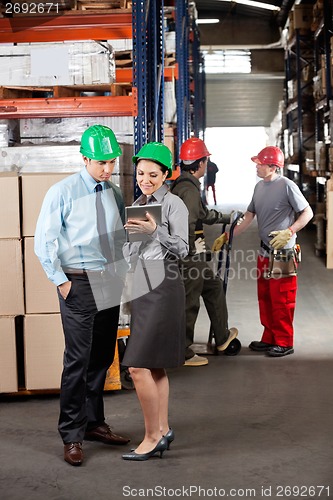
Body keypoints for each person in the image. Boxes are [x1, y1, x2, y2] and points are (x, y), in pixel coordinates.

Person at [34, 125, 130, 466]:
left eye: (112, 162)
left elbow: (119, 236)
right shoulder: (62, 192)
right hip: (78, 282)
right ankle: (72, 435)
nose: (108, 168)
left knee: (103, 356)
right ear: (85, 158)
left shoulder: (113, 192)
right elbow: (43, 241)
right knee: (77, 359)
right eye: (102, 162)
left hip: (109, 281)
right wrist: (61, 282)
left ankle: (94, 423)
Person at [121, 142, 188, 461]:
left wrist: (154, 230)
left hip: (164, 283)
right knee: (154, 364)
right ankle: (162, 429)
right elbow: (134, 251)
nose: (145, 179)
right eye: (141, 173)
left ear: (166, 175)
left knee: (137, 366)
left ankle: (151, 437)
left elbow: (183, 249)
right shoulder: (137, 202)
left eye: (152, 174)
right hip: (143, 285)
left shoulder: (174, 204)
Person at [231, 146, 313, 357]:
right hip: (264, 251)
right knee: (265, 296)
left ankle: (285, 341)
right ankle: (270, 337)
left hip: (283, 253)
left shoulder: (287, 185)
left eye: (260, 163)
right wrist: (229, 235)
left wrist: (290, 231)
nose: (256, 166)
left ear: (272, 166)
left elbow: (307, 212)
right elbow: (250, 215)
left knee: (282, 298)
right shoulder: (259, 187)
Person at [170, 137, 238, 367]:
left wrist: (227, 217)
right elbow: (188, 223)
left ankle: (222, 337)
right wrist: (191, 250)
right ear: (200, 163)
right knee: (190, 300)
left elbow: (203, 214)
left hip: (193, 254)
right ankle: (183, 351)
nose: (206, 165)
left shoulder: (187, 186)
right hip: (189, 256)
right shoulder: (188, 190)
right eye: (205, 160)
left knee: (214, 286)